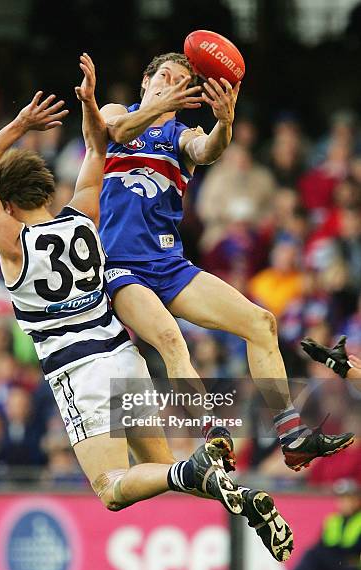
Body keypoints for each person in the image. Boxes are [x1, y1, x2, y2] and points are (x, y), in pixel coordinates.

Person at [0, 53, 293, 563]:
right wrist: (82, 107)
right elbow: (99, 148)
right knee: (163, 471)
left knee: (112, 489)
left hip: (81, 375)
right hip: (124, 359)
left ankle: (199, 471)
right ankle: (241, 496)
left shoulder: (13, 246)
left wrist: (19, 125)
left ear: (6, 206)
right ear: (46, 188)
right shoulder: (84, 218)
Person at [98, 51, 354, 471]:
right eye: (164, 77)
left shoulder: (181, 135)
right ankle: (212, 434)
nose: (170, 85)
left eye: (181, 83)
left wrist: (226, 122)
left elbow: (207, 149)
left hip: (168, 264)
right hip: (120, 266)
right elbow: (116, 129)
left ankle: (292, 435)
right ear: (146, 83)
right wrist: (160, 104)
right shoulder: (116, 113)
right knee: (169, 339)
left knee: (262, 323)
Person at [259, 479, 361, 570]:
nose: (343, 503)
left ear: (357, 500)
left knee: (313, 555)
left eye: (347, 499)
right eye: (341, 499)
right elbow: (324, 547)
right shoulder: (333, 521)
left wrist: (332, 553)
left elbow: (354, 551)